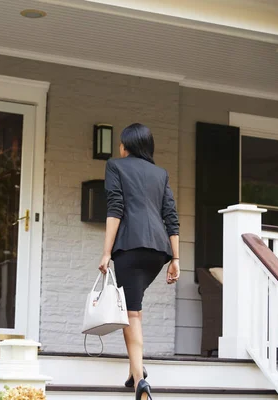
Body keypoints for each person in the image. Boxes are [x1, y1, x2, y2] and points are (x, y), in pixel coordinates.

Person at [99, 123, 180, 400]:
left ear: (125, 146)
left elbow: (115, 208)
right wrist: (176, 258)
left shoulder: (115, 166)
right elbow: (171, 216)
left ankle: (140, 385)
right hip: (158, 252)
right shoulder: (160, 174)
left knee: (131, 314)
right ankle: (136, 369)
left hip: (129, 247)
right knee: (134, 307)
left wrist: (106, 252)